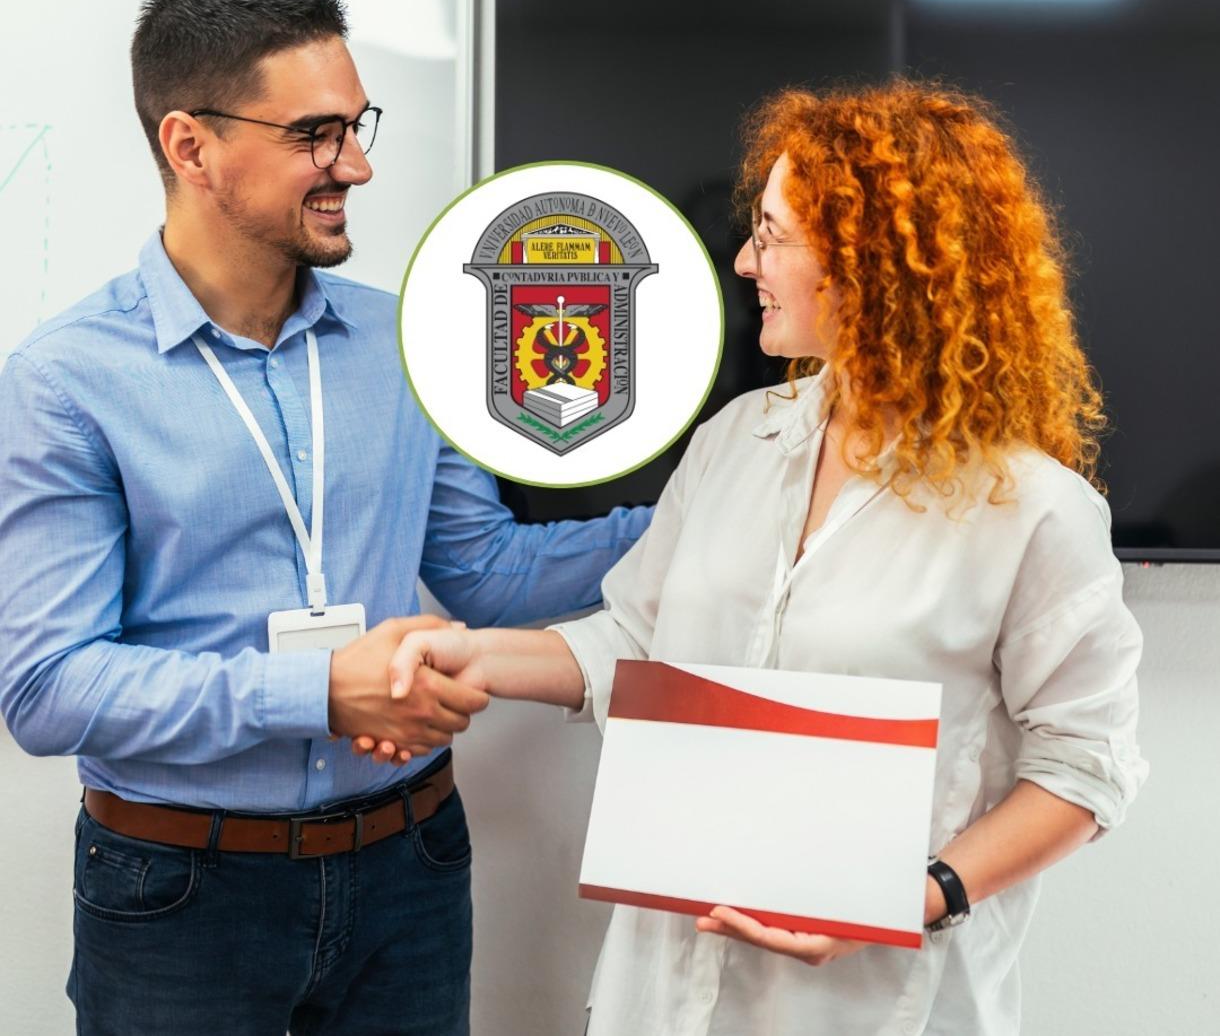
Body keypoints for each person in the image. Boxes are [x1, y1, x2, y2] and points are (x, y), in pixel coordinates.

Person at [372, 81, 1149, 1035]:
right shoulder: (740, 437)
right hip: (662, 992)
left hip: (875, 1003)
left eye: (773, 235)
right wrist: (474, 656)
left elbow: (1083, 770)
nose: (744, 262)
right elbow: (639, 639)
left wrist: (920, 893)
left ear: (869, 260)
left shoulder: (1036, 510)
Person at [0, 0, 650, 1036]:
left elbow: (484, 571)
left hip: (412, 864)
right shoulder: (67, 381)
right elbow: (49, 687)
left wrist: (708, 517)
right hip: (179, 893)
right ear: (189, 145)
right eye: (316, 133)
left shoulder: (404, 344)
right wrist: (316, 694)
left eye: (356, 124)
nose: (356, 162)